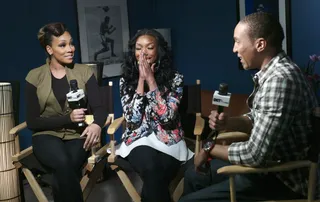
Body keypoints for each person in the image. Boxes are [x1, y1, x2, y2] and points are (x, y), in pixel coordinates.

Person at [179, 12, 318, 202]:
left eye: (238, 42)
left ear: (260, 44)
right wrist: (229, 122)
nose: (234, 49)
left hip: (284, 179)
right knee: (193, 176)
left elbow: (255, 155)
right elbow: (256, 119)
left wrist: (208, 148)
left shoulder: (280, 80)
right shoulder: (272, 74)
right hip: (267, 170)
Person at [25, 22, 107, 202]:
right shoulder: (34, 76)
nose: (70, 49)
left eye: (71, 43)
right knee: (63, 164)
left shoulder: (84, 72)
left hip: (78, 135)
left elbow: (100, 108)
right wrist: (67, 118)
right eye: (62, 45)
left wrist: (96, 125)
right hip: (45, 135)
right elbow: (32, 122)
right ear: (49, 49)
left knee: (64, 168)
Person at [115, 29, 193, 202]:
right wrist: (141, 81)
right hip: (138, 138)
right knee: (151, 168)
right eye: (138, 48)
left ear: (159, 51)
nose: (143, 53)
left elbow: (166, 118)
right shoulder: (125, 80)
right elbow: (133, 120)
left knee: (156, 174)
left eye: (149, 47)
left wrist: (151, 81)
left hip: (169, 138)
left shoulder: (175, 78)